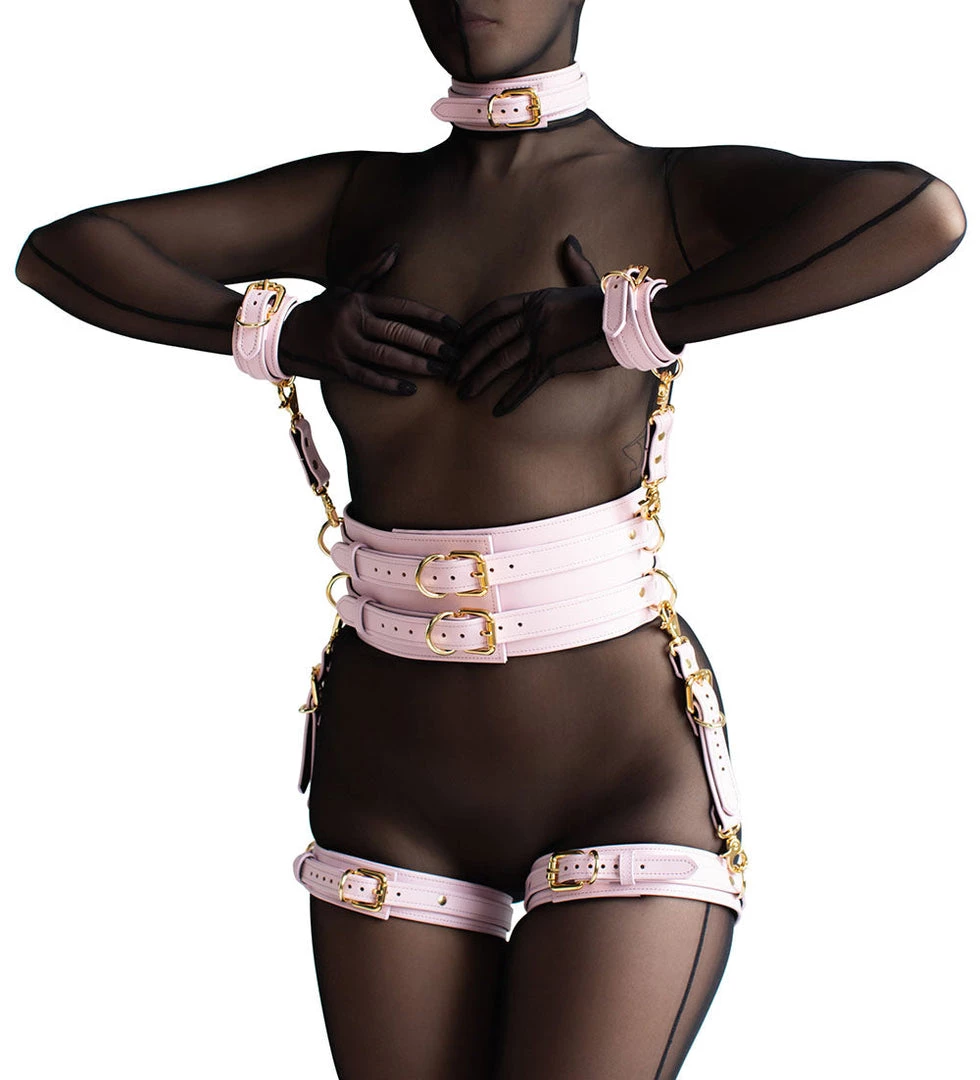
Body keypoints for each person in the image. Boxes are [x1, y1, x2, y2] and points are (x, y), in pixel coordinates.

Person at [13, 2, 966, 1078]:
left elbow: (919, 214)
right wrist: (278, 330)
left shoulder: (659, 191)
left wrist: (627, 321)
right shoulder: (358, 201)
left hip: (619, 773)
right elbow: (61, 252)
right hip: (388, 787)